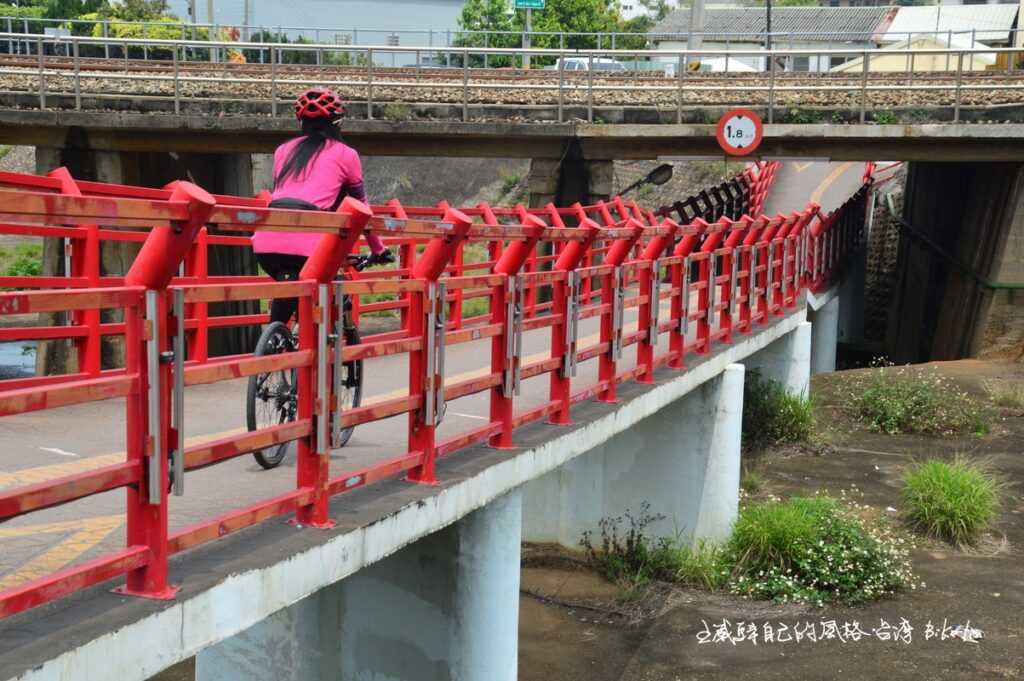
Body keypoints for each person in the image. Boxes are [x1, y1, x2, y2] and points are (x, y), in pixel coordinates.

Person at [253, 87, 394, 325]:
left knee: (291, 293)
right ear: (337, 122)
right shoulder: (346, 154)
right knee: (323, 292)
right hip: (309, 243)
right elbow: (361, 207)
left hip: (266, 241)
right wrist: (378, 250)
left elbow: (284, 195)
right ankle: (313, 351)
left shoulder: (282, 151)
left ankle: (276, 340)